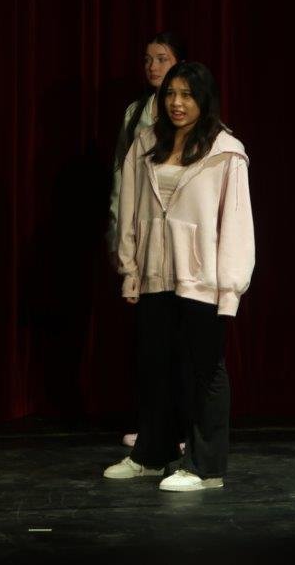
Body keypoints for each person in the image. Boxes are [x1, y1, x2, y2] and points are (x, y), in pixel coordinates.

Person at [103, 61, 254, 492]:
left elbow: (237, 225)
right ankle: (153, 454)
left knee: (205, 369)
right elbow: (130, 211)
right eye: (171, 94)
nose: (177, 103)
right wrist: (130, 270)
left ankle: (206, 468)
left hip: (202, 277)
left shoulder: (226, 150)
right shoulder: (146, 142)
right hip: (155, 274)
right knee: (154, 366)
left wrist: (230, 289)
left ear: (203, 100)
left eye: (187, 95)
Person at [110, 32, 187, 448]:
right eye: (148, 59)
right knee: (150, 344)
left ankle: (180, 427)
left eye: (162, 58)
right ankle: (153, 426)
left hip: (181, 240)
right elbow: (123, 180)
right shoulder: (135, 113)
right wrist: (120, 239)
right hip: (143, 236)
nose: (153, 66)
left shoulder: (192, 112)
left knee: (181, 344)